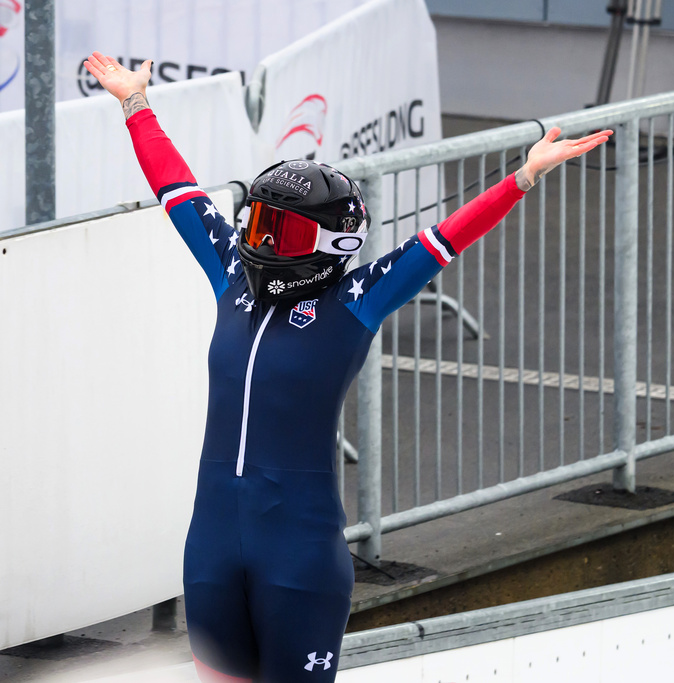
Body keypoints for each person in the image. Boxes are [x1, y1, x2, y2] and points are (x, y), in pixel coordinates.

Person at [83, 51, 612, 683]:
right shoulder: (231, 271)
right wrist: (135, 104)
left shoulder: (356, 300)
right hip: (211, 552)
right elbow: (177, 186)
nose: (260, 241)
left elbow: (444, 238)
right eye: (258, 223)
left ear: (329, 246)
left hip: (298, 564)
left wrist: (520, 177)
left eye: (280, 231)